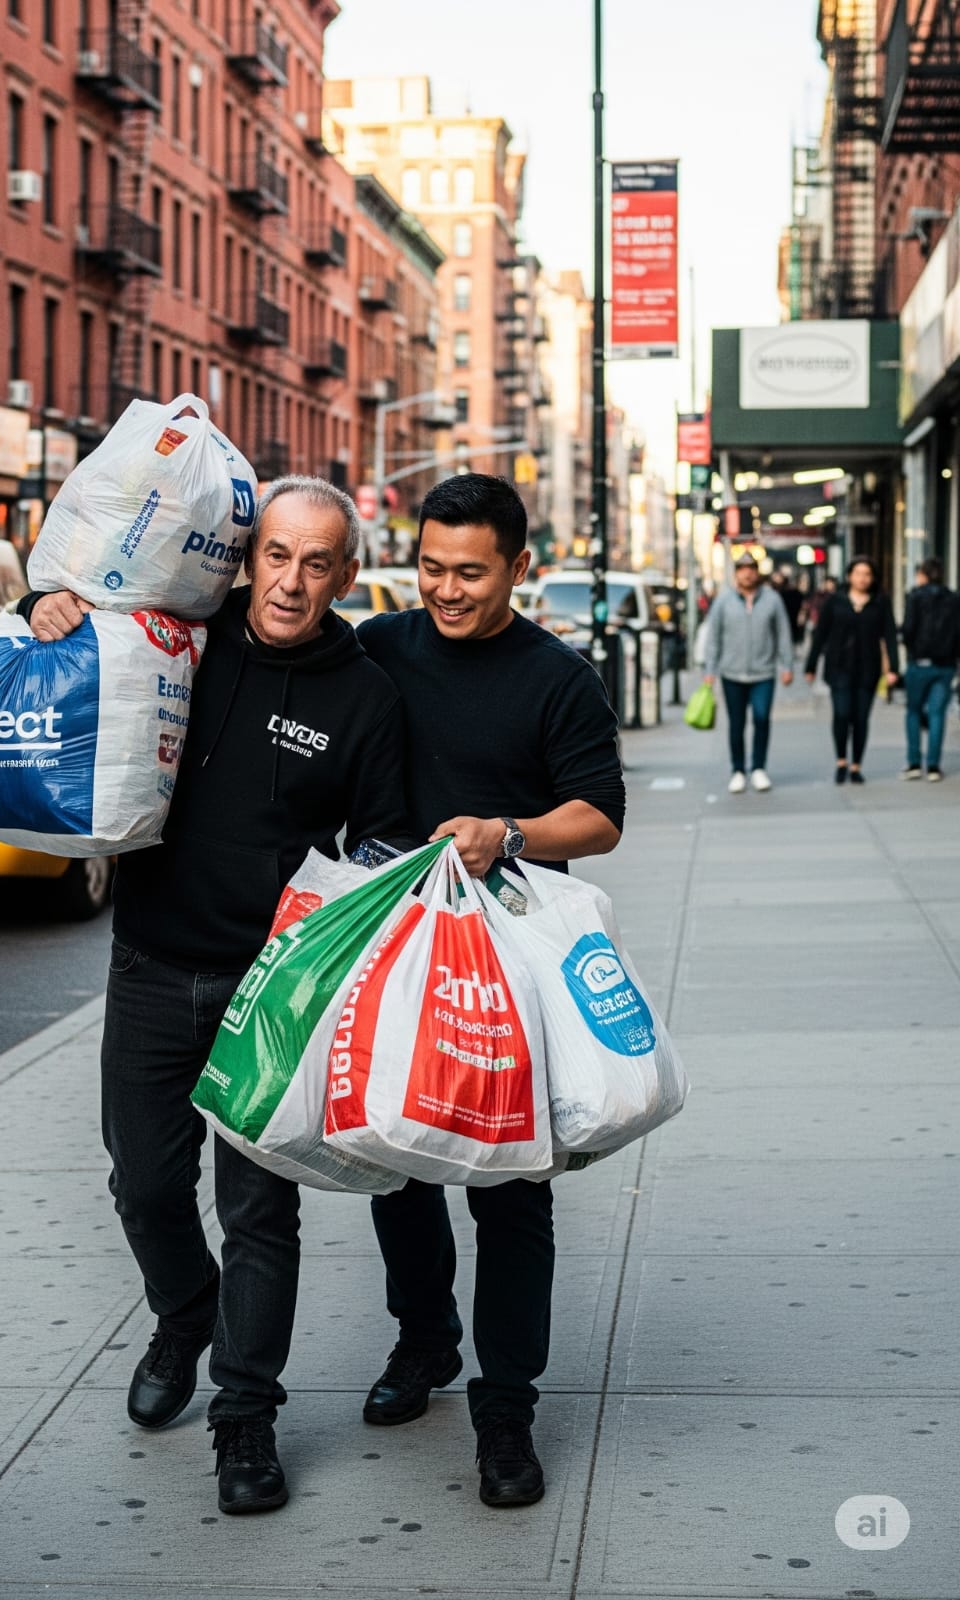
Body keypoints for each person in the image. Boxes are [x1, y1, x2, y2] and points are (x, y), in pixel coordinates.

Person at [22, 476, 407, 1515]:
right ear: (248, 559)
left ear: (346, 575)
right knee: (142, 1186)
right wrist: (41, 609)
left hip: (266, 991)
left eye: (316, 561)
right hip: (148, 962)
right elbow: (73, 632)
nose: (291, 580)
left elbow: (376, 851)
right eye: (276, 554)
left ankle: (245, 1420)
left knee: (258, 1212)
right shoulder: (180, 636)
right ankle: (183, 1313)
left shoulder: (362, 695)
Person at [354, 473, 625, 1511]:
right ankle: (423, 1341)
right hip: (395, 942)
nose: (446, 590)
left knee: (511, 1188)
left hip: (508, 959)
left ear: (521, 567)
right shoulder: (380, 644)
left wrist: (503, 832)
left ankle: (503, 1410)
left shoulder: (558, 676)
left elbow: (597, 817)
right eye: (430, 567)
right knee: (396, 1160)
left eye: (470, 572)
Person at [700, 552, 794, 794]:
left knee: (762, 719)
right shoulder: (724, 601)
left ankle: (759, 768)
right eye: (742, 568)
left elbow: (783, 634)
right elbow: (714, 638)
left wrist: (787, 665)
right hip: (732, 673)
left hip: (763, 673)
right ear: (736, 573)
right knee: (736, 723)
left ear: (757, 571)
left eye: (751, 568)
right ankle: (739, 770)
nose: (747, 572)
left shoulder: (772, 599)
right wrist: (710, 669)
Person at [805, 555, 901, 784]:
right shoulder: (835, 601)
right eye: (858, 573)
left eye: (867, 574)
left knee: (861, 718)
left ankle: (856, 765)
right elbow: (821, 634)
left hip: (868, 669)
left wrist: (893, 669)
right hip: (839, 667)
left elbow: (889, 635)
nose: (863, 578)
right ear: (849, 576)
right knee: (842, 713)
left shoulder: (880, 602)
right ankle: (841, 760)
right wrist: (811, 665)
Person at [899, 557, 959, 781]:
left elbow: (908, 629)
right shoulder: (954, 599)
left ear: (923, 574)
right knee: (937, 714)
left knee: (913, 712)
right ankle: (933, 765)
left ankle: (914, 762)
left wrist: (911, 649)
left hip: (920, 663)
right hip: (945, 665)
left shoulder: (915, 597)